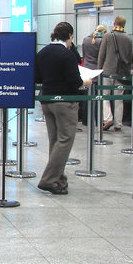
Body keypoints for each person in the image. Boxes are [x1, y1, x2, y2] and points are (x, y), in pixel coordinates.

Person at [34, 22, 93, 195]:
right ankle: (49, 179)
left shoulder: (42, 53)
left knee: (55, 141)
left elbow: (38, 76)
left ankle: (58, 179)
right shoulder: (66, 55)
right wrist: (86, 83)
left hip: (47, 100)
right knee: (65, 139)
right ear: (69, 36)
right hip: (65, 101)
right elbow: (75, 81)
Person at [97, 15, 133, 131]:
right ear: (124, 24)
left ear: (114, 23)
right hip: (122, 72)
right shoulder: (128, 38)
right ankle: (118, 124)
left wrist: (99, 70)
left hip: (108, 70)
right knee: (119, 98)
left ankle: (108, 118)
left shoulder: (107, 36)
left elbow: (101, 55)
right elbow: (130, 57)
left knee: (105, 96)